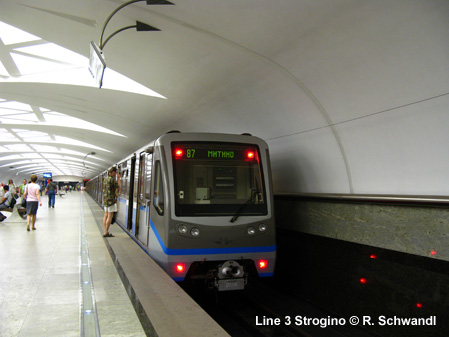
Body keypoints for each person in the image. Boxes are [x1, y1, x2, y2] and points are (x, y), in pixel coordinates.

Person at [102, 167, 121, 237]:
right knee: (110, 216)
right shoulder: (112, 179)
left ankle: (105, 231)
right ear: (112, 172)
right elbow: (118, 187)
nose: (116, 174)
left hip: (105, 200)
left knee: (105, 215)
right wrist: (118, 179)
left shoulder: (106, 179)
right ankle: (106, 232)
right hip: (111, 200)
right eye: (115, 173)